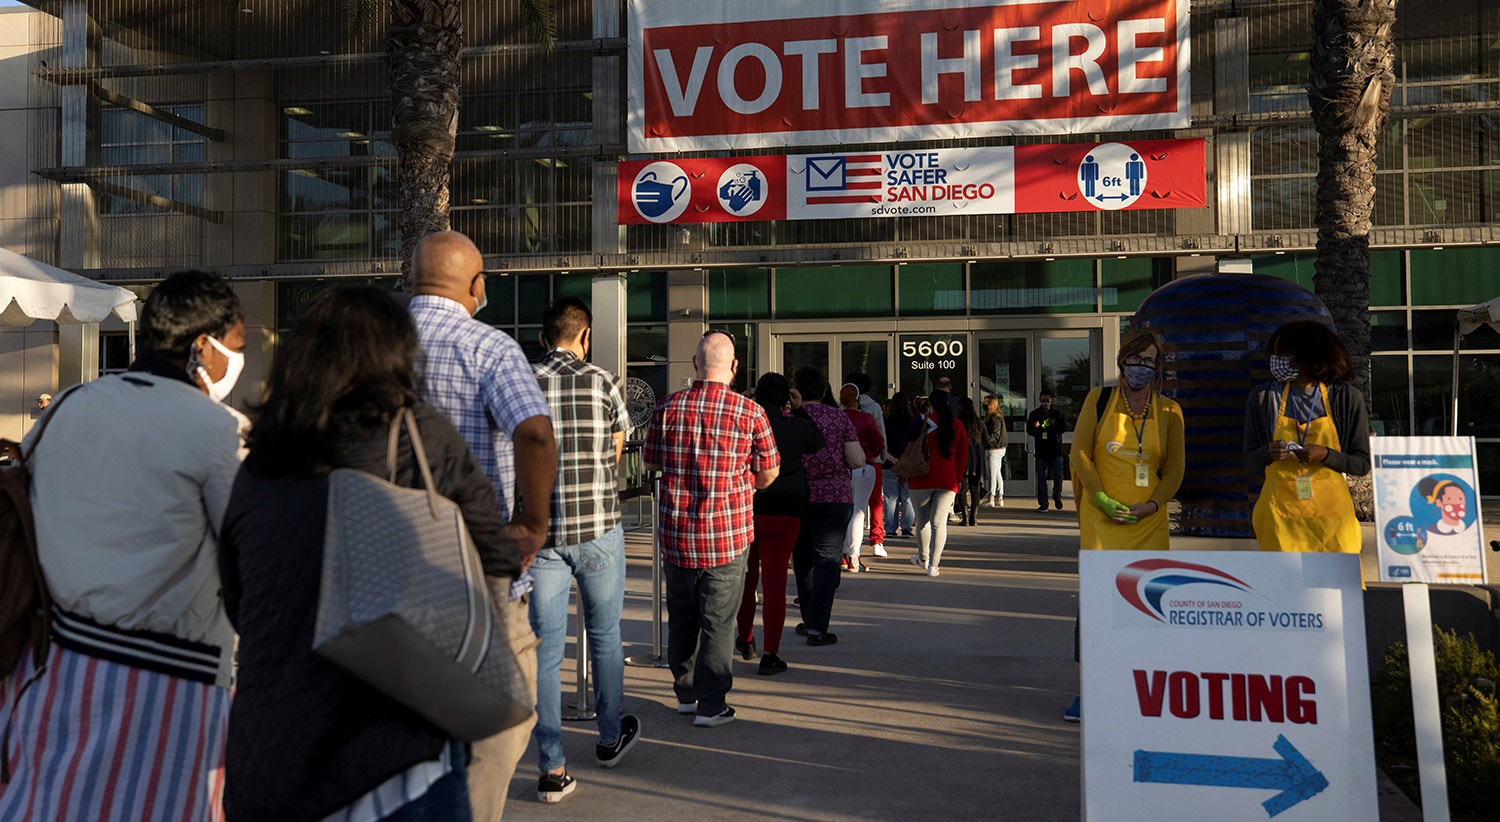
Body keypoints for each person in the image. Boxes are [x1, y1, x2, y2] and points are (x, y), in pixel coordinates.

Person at [220, 285, 521, 820]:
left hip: (272, 750)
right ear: (395, 354)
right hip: (397, 752)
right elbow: (494, 553)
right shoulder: (416, 432)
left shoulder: (262, 458)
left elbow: (237, 594)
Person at [1, 270, 244, 820]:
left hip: (53, 670)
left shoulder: (65, 409)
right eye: (238, 347)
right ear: (204, 347)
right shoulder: (220, 431)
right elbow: (248, 553)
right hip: (173, 688)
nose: (238, 360)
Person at [407, 230, 556, 820]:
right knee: (498, 729)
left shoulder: (372, 344)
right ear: (476, 285)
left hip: (383, 576)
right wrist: (531, 524)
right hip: (475, 579)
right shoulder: (488, 347)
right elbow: (535, 432)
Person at [529, 297, 639, 803]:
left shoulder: (525, 379)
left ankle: (551, 767)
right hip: (597, 528)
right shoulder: (604, 381)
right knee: (604, 636)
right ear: (585, 335)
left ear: (544, 336)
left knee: (546, 653)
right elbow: (617, 447)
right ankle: (609, 736)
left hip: (543, 534)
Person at [643, 331, 779, 727]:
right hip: (727, 535)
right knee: (719, 623)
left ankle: (685, 693)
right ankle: (712, 703)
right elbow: (769, 471)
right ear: (735, 367)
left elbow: (650, 462)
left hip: (677, 534)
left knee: (682, 618)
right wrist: (742, 484)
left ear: (694, 364)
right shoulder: (750, 412)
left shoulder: (668, 407)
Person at [1067, 328, 1186, 722]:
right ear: (1122, 361)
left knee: (1146, 607)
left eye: (1149, 361)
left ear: (1158, 366)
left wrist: (1153, 505)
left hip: (1148, 523)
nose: (1141, 367)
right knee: (1097, 607)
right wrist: (1099, 497)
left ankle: (1142, 690)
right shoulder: (1098, 401)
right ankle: (1088, 692)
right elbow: (1082, 453)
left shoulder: (1170, 412)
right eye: (1135, 359)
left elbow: (1174, 469)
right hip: (1102, 521)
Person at [1242, 320, 1370, 555]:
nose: (1276, 360)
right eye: (1275, 353)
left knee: (1337, 589)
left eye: (1284, 354)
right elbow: (1249, 460)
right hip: (1279, 522)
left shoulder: (1347, 398)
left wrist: (1326, 455)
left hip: (1334, 525)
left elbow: (1361, 464)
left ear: (1311, 356)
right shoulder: (1262, 398)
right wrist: (1266, 453)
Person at [735, 373, 824, 676]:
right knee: (774, 585)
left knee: (747, 581)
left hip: (748, 508)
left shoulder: (745, 423)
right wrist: (799, 409)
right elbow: (817, 442)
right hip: (786, 510)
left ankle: (746, 639)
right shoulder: (795, 425)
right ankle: (770, 652)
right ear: (786, 396)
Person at [790, 367, 863, 645]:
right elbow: (856, 460)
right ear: (823, 390)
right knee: (827, 561)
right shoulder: (838, 418)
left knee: (803, 560)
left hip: (799, 496)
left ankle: (809, 620)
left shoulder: (790, 419)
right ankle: (818, 627)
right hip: (834, 497)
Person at [907, 388, 968, 577]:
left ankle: (923, 558)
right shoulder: (957, 425)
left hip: (920, 478)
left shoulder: (921, 423)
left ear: (930, 404)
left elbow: (905, 446)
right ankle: (934, 566)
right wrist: (957, 481)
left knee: (922, 522)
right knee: (939, 524)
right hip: (947, 480)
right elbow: (962, 457)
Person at [839, 383, 884, 570]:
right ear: (858, 399)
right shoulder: (866, 418)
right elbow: (878, 443)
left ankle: (843, 554)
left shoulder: (837, 417)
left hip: (842, 469)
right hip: (865, 466)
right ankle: (854, 556)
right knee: (858, 512)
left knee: (843, 513)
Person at [846, 372, 887, 556]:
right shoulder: (874, 408)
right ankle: (876, 540)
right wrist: (881, 455)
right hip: (871, 460)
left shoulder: (840, 411)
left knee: (850, 506)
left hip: (846, 463)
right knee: (875, 501)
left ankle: (849, 546)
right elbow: (881, 435)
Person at [882, 392, 918, 540]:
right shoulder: (913, 422)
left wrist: (891, 458)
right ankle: (906, 527)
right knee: (908, 497)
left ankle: (890, 528)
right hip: (908, 464)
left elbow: (882, 443)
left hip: (889, 462)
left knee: (890, 497)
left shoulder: (885, 422)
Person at [1027, 391, 1067, 512]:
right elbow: (1030, 430)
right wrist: (1038, 427)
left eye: (1047, 400)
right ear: (1040, 400)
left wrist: (1054, 424)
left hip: (1055, 450)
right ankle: (1043, 503)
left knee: (1058, 476)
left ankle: (1057, 496)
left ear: (1051, 401)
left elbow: (1063, 428)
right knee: (1041, 478)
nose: (1045, 403)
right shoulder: (1034, 414)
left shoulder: (1057, 414)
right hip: (1041, 451)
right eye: (1043, 400)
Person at [956, 396, 985, 527]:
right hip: (977, 459)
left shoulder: (958, 422)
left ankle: (965, 517)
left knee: (962, 488)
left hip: (962, 458)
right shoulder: (979, 423)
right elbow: (987, 441)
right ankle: (974, 516)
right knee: (975, 488)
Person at [982, 396, 1008, 508]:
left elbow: (995, 434)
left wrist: (984, 440)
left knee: (992, 474)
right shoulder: (994, 416)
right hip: (996, 448)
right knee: (997, 473)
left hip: (994, 448)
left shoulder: (994, 418)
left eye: (986, 402)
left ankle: (991, 498)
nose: (983, 404)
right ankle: (1000, 497)